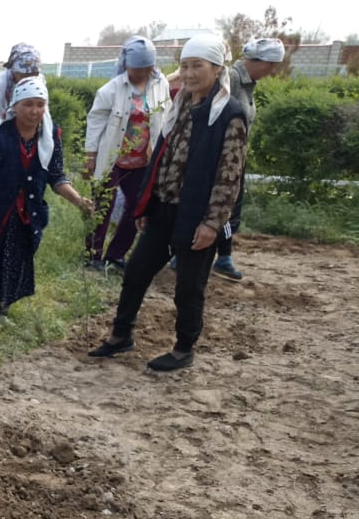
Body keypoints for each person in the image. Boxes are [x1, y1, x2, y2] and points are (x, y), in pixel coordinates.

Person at [88, 33, 249, 372]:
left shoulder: (229, 115)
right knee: (135, 272)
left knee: (189, 287)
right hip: (164, 208)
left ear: (216, 69)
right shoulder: (180, 106)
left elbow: (229, 177)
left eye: (197, 66)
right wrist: (145, 205)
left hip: (197, 215)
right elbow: (159, 158)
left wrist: (212, 224)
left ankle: (183, 347)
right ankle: (121, 335)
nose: (189, 74)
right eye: (185, 66)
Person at [0, 76, 93, 323]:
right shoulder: (0, 135)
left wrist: (79, 201)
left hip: (25, 214)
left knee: (14, 261)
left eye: (40, 105)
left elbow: (56, 176)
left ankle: (2, 309)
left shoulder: (50, 136)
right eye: (28, 104)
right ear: (16, 107)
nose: (34, 111)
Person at [83, 36, 172, 272]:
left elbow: (167, 115)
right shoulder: (111, 89)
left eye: (146, 67)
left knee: (137, 207)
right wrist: (90, 155)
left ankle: (116, 255)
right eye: (137, 68)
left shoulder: (160, 84)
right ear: (126, 64)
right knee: (104, 205)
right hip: (112, 158)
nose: (142, 72)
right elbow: (95, 122)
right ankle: (93, 256)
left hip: (143, 159)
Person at [215, 36, 285, 281]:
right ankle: (190, 255)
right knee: (222, 208)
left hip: (236, 159)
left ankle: (222, 257)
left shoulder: (248, 84)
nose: (271, 71)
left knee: (230, 209)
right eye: (270, 65)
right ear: (259, 61)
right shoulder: (231, 79)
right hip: (221, 159)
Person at [0, 43, 42, 163]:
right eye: (24, 74)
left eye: (33, 74)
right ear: (13, 69)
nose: (29, 79)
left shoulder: (39, 81)